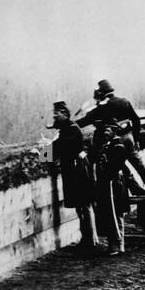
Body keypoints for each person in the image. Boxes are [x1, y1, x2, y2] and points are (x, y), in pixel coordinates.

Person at [51, 100, 95, 250]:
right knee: (81, 205)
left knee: (84, 205)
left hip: (78, 170)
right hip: (76, 170)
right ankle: (87, 238)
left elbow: (59, 147)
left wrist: (41, 153)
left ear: (64, 113)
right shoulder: (68, 128)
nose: (54, 117)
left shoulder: (71, 129)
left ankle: (90, 239)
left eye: (56, 114)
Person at [92, 122, 132, 256]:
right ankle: (114, 244)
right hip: (109, 183)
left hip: (113, 184)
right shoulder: (109, 144)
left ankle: (118, 244)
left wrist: (106, 177)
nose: (105, 132)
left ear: (114, 130)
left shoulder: (118, 145)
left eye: (108, 129)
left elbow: (115, 165)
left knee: (115, 213)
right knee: (110, 213)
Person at [76, 79, 142, 136]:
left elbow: (84, 121)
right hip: (127, 138)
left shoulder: (102, 107)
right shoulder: (125, 102)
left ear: (100, 94)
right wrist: (136, 140)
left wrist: (70, 124)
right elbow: (136, 120)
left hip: (110, 142)